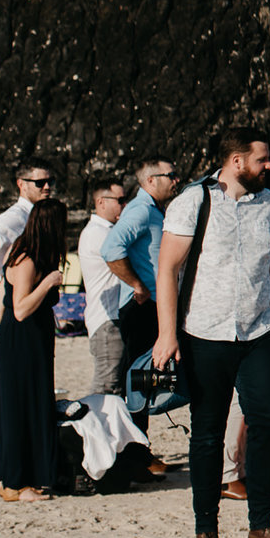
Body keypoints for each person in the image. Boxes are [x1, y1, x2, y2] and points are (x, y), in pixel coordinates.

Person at [150, 128, 270, 538]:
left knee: (268, 422)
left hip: (257, 332)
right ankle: (205, 531)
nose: (268, 165)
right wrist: (166, 333)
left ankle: (261, 527)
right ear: (236, 162)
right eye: (261, 159)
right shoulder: (194, 201)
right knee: (208, 434)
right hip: (204, 333)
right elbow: (167, 269)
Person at [0, 193, 66, 501]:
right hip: (20, 342)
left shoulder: (23, 251)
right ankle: (14, 484)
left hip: (26, 341)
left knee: (23, 405)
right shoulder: (28, 260)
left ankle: (15, 476)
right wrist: (48, 283)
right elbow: (20, 308)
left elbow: (1, 294)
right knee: (19, 408)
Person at [101, 157, 176, 388]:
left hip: (153, 304)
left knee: (151, 379)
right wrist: (137, 284)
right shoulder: (141, 210)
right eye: (171, 176)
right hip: (141, 307)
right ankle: (133, 424)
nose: (176, 180)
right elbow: (110, 249)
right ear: (151, 180)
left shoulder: (155, 209)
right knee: (138, 380)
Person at [0, 159, 50, 326]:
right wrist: (0, 290)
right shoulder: (14, 218)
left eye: (50, 182)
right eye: (40, 183)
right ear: (22, 184)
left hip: (27, 303)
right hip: (9, 307)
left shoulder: (38, 215)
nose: (47, 187)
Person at [77, 179, 133, 398]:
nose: (124, 206)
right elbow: (125, 261)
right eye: (120, 200)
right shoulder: (98, 233)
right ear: (101, 202)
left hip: (108, 319)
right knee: (106, 389)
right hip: (107, 320)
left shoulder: (106, 231)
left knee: (115, 388)